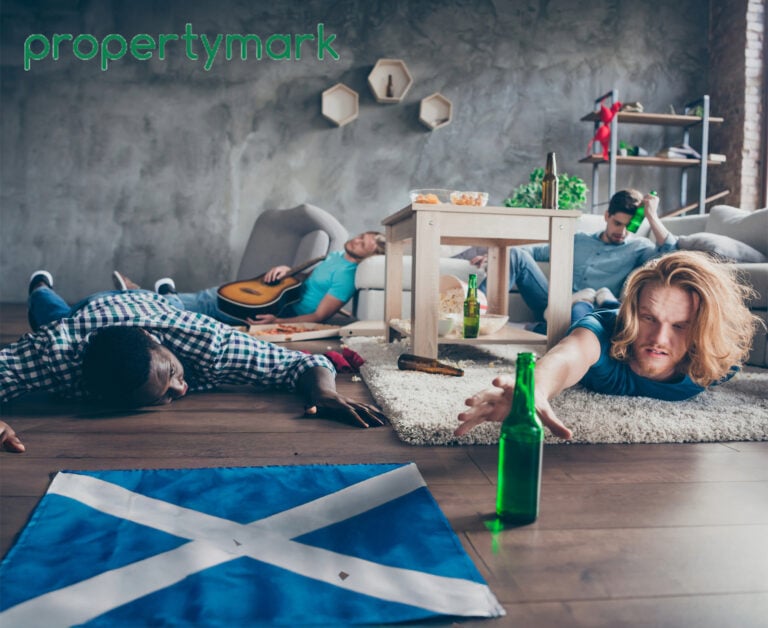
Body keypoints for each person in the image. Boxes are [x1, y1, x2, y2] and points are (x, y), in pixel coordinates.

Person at [0, 270, 387, 453]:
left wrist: (326, 392)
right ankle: (46, 286)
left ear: (157, 342)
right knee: (51, 315)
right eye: (162, 398)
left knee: (162, 302)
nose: (180, 388)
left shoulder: (209, 342)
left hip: (155, 312)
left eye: (170, 375)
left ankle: (146, 291)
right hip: (83, 318)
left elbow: (297, 362)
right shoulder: (53, 353)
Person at [454, 251, 761, 440]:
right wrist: (531, 389)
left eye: (679, 326)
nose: (658, 339)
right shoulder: (601, 332)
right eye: (648, 318)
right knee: (577, 316)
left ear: (703, 330)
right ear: (634, 314)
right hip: (599, 315)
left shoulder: (718, 364)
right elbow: (566, 356)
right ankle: (590, 299)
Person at [458, 189, 677, 328]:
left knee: (582, 318)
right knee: (515, 253)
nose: (622, 231)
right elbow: (532, 252)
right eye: (617, 223)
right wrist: (494, 256)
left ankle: (532, 328)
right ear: (607, 216)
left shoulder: (640, 248)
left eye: (629, 226)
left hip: (590, 310)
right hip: (551, 302)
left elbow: (670, 253)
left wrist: (652, 216)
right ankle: (472, 319)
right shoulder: (579, 240)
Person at [113, 231, 386, 326]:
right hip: (280, 294)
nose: (359, 240)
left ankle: (133, 297)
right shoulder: (336, 256)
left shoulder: (349, 277)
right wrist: (285, 270)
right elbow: (308, 280)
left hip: (278, 309)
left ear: (369, 256)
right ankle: (159, 298)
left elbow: (319, 317)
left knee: (206, 304)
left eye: (366, 244)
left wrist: (276, 322)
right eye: (362, 236)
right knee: (211, 297)